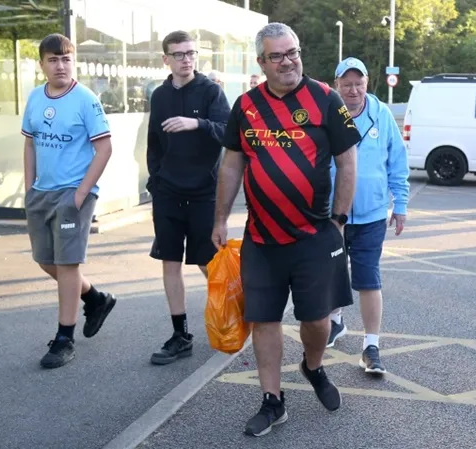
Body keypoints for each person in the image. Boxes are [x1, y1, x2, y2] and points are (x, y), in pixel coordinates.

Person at [212, 22, 360, 437]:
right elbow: (231, 163)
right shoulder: (245, 106)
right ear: (261, 62)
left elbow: (348, 160)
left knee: (317, 320)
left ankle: (312, 366)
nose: (288, 61)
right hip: (261, 237)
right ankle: (273, 401)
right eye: (277, 55)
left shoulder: (325, 99)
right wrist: (220, 219)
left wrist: (339, 218)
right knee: (264, 321)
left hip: (316, 235)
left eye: (292, 52)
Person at [21, 33, 116, 369]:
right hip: (41, 193)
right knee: (44, 259)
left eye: (65, 59)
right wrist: (29, 187)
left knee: (67, 264)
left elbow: (104, 149)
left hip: (74, 193)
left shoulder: (86, 99)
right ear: (42, 64)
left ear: (72, 61)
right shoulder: (34, 97)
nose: (60, 65)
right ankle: (94, 298)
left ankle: (64, 337)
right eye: (53, 59)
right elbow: (30, 143)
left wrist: (80, 194)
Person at [146, 30, 231, 365]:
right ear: (166, 59)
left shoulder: (211, 91)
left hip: (202, 193)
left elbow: (228, 133)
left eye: (191, 53)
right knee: (170, 261)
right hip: (167, 191)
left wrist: (195, 123)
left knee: (206, 261)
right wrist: (156, 179)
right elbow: (154, 142)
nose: (186, 59)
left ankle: (231, 315)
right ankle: (180, 334)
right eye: (179, 54)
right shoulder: (160, 95)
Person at [327, 57, 410, 374]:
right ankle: (335, 322)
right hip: (334, 215)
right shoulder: (328, 114)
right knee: (331, 275)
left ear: (366, 83)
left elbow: (398, 162)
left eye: (358, 83)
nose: (353, 90)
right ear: (337, 85)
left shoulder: (382, 115)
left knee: (368, 280)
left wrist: (400, 204)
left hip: (373, 214)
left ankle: (371, 346)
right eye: (346, 84)